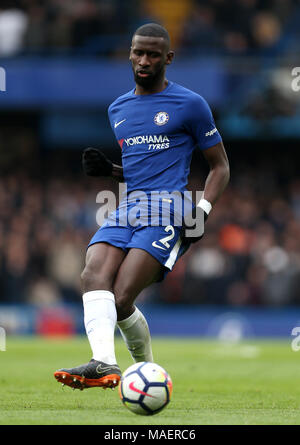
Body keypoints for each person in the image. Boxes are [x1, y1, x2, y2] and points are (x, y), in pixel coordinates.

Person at [54, 23, 230, 390]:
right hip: (129, 205)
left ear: (168, 58)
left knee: (120, 300)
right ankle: (104, 363)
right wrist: (112, 170)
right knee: (92, 276)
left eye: (153, 54)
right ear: (129, 54)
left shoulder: (190, 104)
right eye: (138, 52)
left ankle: (147, 371)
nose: (144, 60)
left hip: (171, 210)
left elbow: (220, 166)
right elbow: (143, 168)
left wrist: (204, 211)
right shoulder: (118, 108)